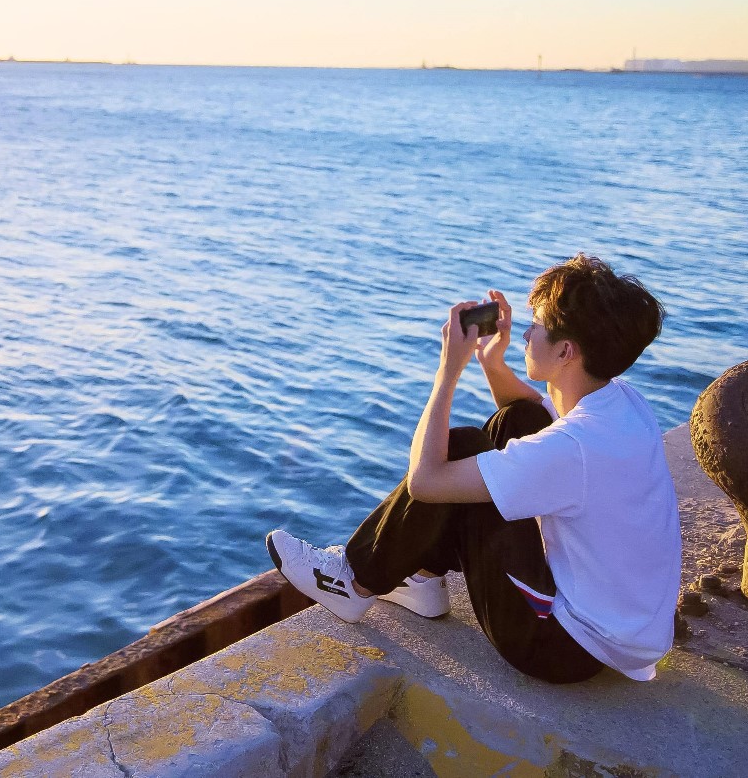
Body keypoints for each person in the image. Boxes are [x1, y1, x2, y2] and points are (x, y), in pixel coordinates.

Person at [267, 253, 679, 684]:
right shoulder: (623, 403)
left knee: (459, 449)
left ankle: (353, 581)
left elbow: (427, 483)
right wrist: (491, 362)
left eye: (536, 325)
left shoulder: (572, 449)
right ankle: (421, 580)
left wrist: (449, 369)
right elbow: (532, 413)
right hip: (624, 632)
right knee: (516, 420)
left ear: (565, 351)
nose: (524, 331)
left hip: (559, 646)